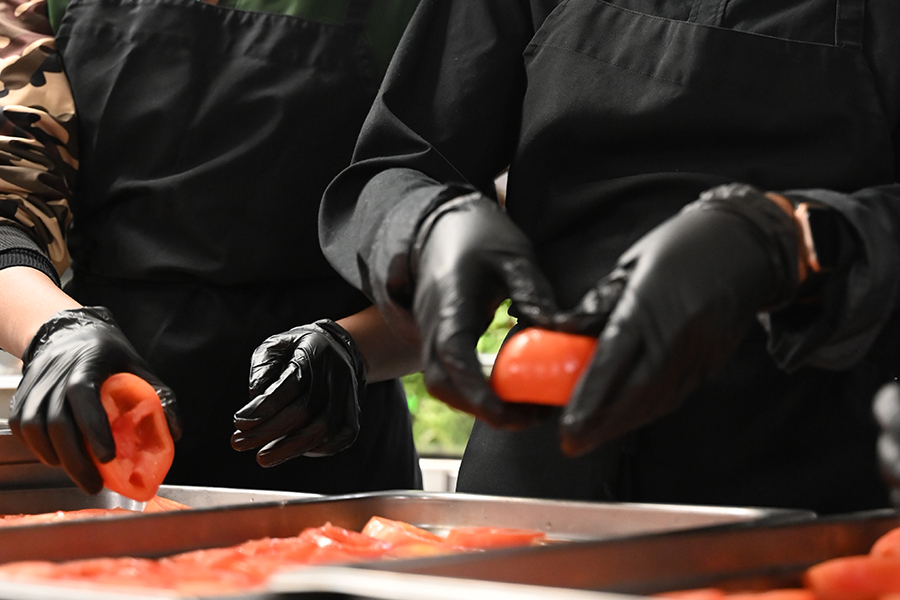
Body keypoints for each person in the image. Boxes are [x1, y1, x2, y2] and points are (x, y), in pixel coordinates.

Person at [317, 0, 900, 513]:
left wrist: (792, 242)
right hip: (532, 468)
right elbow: (394, 167)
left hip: (815, 470)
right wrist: (426, 224)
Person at [0, 0, 423, 495]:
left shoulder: (414, 11)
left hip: (331, 456)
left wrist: (355, 349)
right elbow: (8, 205)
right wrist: (54, 331)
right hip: (105, 432)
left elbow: (445, 267)